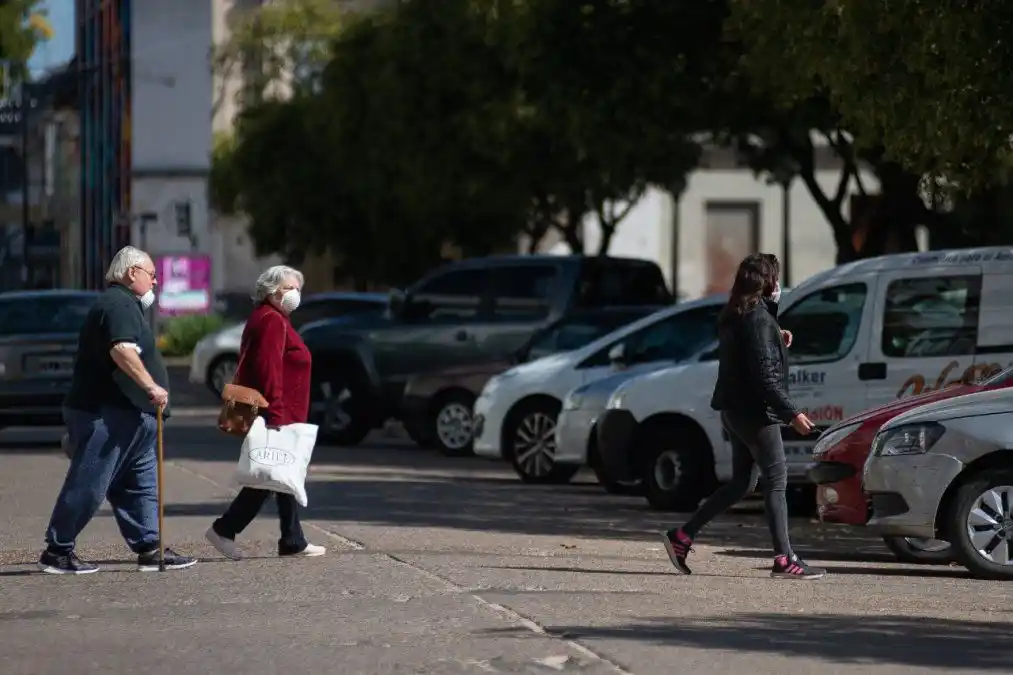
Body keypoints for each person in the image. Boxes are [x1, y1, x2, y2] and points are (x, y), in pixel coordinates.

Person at [661, 253, 826, 580]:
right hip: (756, 414)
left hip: (735, 412)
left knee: (742, 482)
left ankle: (682, 536)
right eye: (776, 278)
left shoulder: (738, 314)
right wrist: (791, 414)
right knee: (777, 480)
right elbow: (764, 377)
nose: (779, 285)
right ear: (767, 283)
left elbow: (751, 354)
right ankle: (785, 558)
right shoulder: (758, 320)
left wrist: (777, 338)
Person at [39, 246, 197, 574]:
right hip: (106, 414)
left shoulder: (127, 305)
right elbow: (121, 350)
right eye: (151, 274)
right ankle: (58, 550)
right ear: (131, 273)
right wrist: (150, 386)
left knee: (139, 485)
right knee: (89, 482)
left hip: (131, 417)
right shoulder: (117, 303)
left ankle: (150, 546)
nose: (156, 281)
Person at [204, 265, 326, 560]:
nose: (295, 294)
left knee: (285, 474)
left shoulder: (270, 317)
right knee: (269, 475)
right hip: (279, 411)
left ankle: (292, 540)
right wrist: (277, 414)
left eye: (298, 288)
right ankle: (224, 529)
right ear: (271, 290)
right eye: (289, 288)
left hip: (284, 410)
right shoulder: (272, 321)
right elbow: (268, 369)